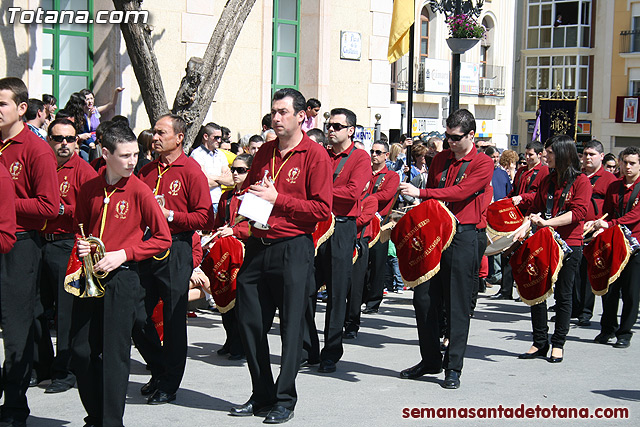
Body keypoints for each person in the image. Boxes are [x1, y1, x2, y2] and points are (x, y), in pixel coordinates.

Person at [229, 88, 332, 423]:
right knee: (250, 323)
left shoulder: (314, 155)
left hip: (293, 248)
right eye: (274, 112)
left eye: (283, 112)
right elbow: (252, 191)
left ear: (301, 116)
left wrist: (278, 199)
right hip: (258, 246)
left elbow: (321, 209)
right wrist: (246, 203)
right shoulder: (266, 152)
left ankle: (285, 398)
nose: (276, 118)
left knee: (290, 327)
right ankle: (261, 394)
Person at [70, 122, 171, 427]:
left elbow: (162, 238)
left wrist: (123, 254)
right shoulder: (89, 188)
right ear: (105, 154)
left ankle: (111, 422)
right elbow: (81, 228)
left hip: (123, 279)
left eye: (135, 154)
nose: (132, 161)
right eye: (125, 155)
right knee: (81, 351)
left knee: (115, 356)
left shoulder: (140, 190)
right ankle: (96, 415)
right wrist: (84, 248)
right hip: (90, 277)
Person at [398, 109, 493, 389]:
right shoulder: (439, 158)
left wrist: (421, 193)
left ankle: (453, 367)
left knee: (457, 304)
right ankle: (430, 360)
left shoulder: (483, 163)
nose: (449, 142)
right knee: (423, 299)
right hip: (436, 233)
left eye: (455, 137)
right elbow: (433, 199)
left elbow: (460, 192)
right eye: (447, 136)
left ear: (471, 136)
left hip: (464, 235)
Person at [134, 114, 213, 405]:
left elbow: (205, 216)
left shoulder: (191, 170)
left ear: (179, 137)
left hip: (177, 247)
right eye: (153, 132)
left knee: (173, 318)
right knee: (136, 313)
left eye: (161, 132)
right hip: (147, 248)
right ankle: (159, 368)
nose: (154, 137)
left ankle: (170, 383)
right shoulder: (146, 171)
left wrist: (171, 216)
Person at [0, 77, 59, 427]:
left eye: (2, 104)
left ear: (22, 108)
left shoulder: (35, 150)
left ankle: (16, 406)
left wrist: (6, 205)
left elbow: (49, 206)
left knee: (16, 326)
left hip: (20, 245)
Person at [514, 135, 590, 363]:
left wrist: (547, 222)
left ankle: (558, 343)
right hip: (543, 243)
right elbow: (536, 207)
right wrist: (526, 224)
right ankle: (539, 342)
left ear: (564, 154)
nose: (545, 155)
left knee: (563, 295)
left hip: (568, 245)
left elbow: (578, 214)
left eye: (550, 152)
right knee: (537, 293)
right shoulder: (548, 179)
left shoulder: (581, 181)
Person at [38, 119, 98, 394]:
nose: (63, 143)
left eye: (69, 139)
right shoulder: (42, 164)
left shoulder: (84, 171)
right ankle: (41, 366)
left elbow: (91, 213)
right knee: (35, 308)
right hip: (39, 242)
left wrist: (60, 209)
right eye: (58, 138)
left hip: (66, 245)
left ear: (77, 141)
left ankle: (66, 370)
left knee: (66, 314)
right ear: (49, 139)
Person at [310, 108, 371, 374]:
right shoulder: (320, 155)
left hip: (342, 227)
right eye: (328, 125)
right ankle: (307, 348)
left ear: (350, 130)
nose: (330, 129)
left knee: (336, 294)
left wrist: (320, 192)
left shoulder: (360, 158)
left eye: (336, 126)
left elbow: (353, 192)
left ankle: (330, 353)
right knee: (304, 290)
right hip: (316, 225)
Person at [589, 146, 640, 348]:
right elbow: (608, 212)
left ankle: (625, 332)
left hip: (635, 245)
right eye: (624, 162)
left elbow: (635, 216)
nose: (627, 167)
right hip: (613, 242)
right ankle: (607, 328)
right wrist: (597, 224)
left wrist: (610, 224)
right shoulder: (614, 186)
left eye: (632, 163)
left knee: (630, 292)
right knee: (609, 288)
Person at [491, 141, 549, 299]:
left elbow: (538, 196)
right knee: (506, 251)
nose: (528, 158)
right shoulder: (522, 171)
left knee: (524, 254)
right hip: (515, 215)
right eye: (526, 154)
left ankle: (523, 289)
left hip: (530, 216)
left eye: (531, 155)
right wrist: (504, 202)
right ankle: (505, 289)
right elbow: (513, 191)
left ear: (539, 155)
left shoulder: (544, 171)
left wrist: (521, 197)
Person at [211, 153, 253, 359]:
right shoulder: (226, 196)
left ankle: (240, 344)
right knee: (223, 295)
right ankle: (230, 340)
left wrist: (235, 232)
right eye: (233, 169)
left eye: (241, 170)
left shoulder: (254, 195)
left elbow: (256, 227)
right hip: (225, 252)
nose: (235, 174)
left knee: (240, 302)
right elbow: (218, 222)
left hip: (244, 253)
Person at [572, 140, 616, 327]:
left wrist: (601, 226)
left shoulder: (609, 179)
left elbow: (613, 208)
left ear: (601, 157)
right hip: (576, 230)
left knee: (591, 272)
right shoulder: (577, 176)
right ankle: (574, 307)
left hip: (596, 233)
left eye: (592, 154)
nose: (588, 158)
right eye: (585, 154)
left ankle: (586, 312)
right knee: (575, 272)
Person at [355, 141, 400, 317]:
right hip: (363, 222)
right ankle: (359, 298)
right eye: (372, 151)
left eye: (378, 152)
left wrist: (365, 197)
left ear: (386, 155)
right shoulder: (365, 172)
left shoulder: (391, 176)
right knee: (361, 263)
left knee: (378, 264)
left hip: (380, 224)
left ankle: (373, 301)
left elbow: (386, 194)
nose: (374, 155)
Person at [190, 122, 234, 213]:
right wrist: (222, 179)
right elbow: (204, 183)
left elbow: (231, 180)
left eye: (220, 138)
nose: (219, 141)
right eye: (216, 137)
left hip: (219, 200)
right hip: (204, 203)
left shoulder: (221, 154)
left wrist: (213, 177)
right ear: (206, 137)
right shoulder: (197, 154)